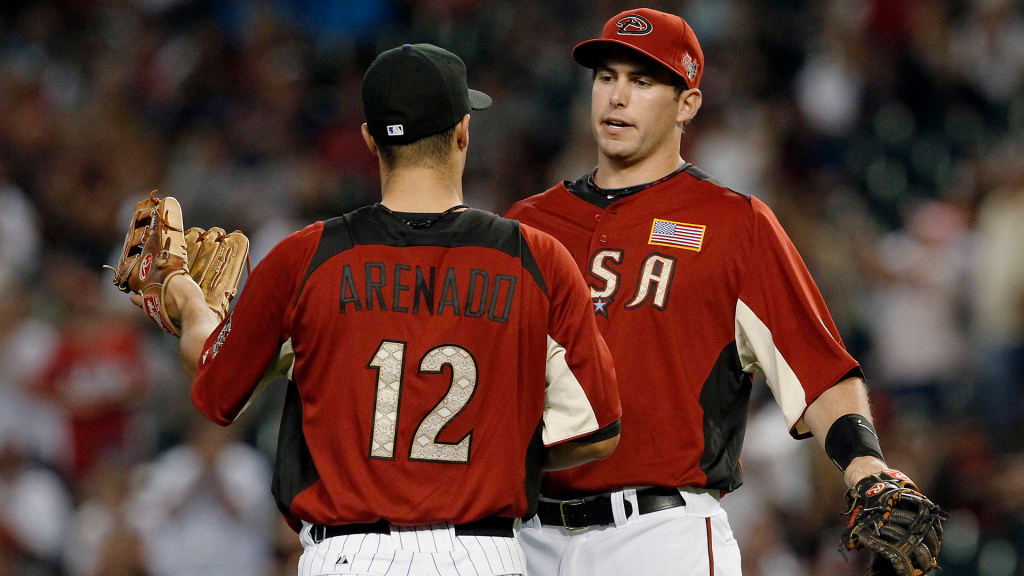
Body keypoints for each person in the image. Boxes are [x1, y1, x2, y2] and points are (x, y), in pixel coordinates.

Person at [130, 43, 621, 576]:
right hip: (483, 553)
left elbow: (214, 384)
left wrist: (184, 295)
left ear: (369, 139)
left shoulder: (306, 257)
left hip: (350, 554)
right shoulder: (536, 259)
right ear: (463, 131)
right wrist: (492, 452)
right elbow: (595, 434)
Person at [505, 9, 939, 576]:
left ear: (687, 104)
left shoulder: (735, 225)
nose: (617, 96)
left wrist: (865, 465)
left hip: (659, 537)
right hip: (527, 535)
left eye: (643, 81)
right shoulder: (526, 224)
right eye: (606, 76)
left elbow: (817, 368)